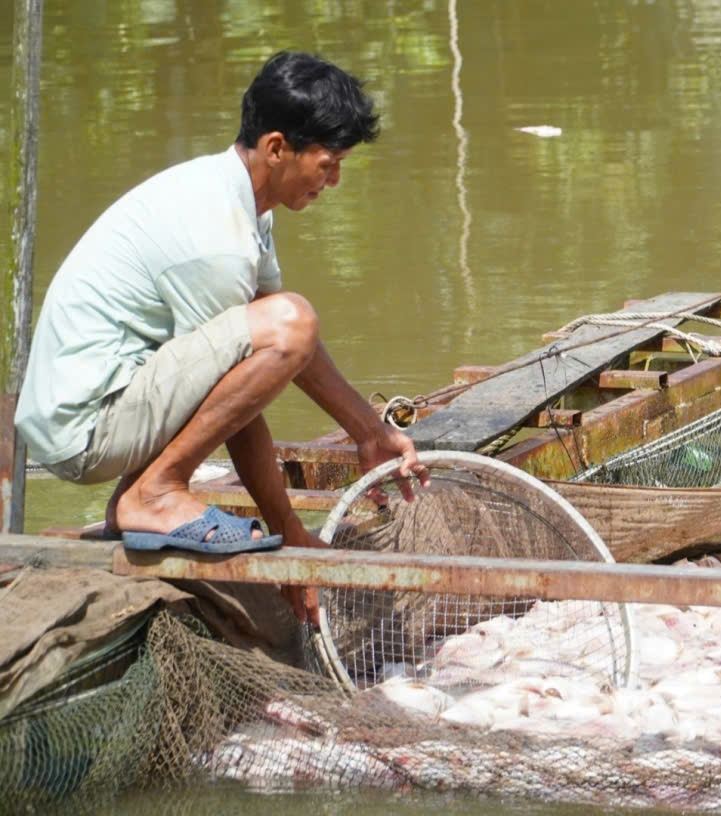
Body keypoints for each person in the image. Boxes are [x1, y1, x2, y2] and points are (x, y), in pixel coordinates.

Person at [15, 51, 423, 621]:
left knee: (284, 323)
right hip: (88, 426)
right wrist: (287, 531)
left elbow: (259, 355)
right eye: (328, 164)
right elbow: (244, 388)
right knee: (292, 320)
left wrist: (368, 430)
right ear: (277, 148)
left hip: (109, 401)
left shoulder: (240, 203)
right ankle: (152, 494)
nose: (333, 180)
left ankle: (145, 492)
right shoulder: (217, 237)